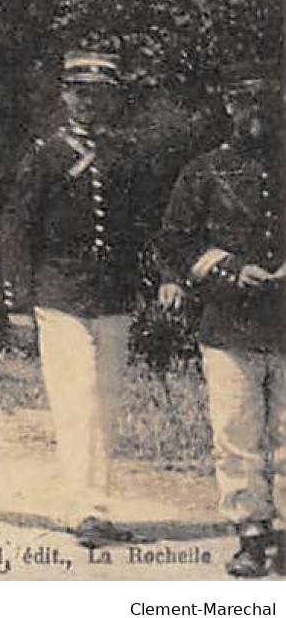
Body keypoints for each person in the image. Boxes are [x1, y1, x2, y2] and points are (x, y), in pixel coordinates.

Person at [0, 49, 155, 548]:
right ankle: (81, 507)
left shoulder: (125, 155)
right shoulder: (45, 155)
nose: (88, 102)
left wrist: (143, 286)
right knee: (75, 402)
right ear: (65, 95)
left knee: (106, 403)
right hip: (60, 292)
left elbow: (135, 228)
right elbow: (17, 229)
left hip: (111, 295)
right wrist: (18, 302)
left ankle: (99, 507)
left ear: (112, 99)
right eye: (79, 91)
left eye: (99, 94)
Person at [157, 60, 284, 577]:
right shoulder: (203, 171)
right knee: (235, 430)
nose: (256, 114)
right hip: (230, 322)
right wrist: (232, 269)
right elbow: (176, 242)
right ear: (229, 106)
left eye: (267, 103)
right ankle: (250, 531)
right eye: (244, 102)